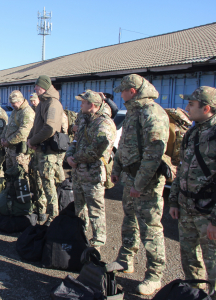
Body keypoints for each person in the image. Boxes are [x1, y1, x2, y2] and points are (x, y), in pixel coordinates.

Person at [111, 74, 169, 295]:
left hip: (147, 182)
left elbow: (154, 153)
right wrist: (116, 170)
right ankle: (126, 259)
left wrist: (141, 184)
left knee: (150, 229)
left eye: (123, 91)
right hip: (131, 178)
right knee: (129, 221)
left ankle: (154, 275)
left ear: (132, 91)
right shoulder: (134, 112)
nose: (121, 95)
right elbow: (124, 143)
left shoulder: (151, 112)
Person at [169, 86, 216, 294]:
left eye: (191, 104)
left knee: (213, 265)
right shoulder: (192, 132)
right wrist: (174, 201)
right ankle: (195, 295)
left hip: (208, 212)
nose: (186, 107)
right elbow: (181, 170)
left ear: (206, 108)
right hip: (186, 208)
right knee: (189, 260)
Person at [64, 90, 116, 248]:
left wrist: (76, 159)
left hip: (93, 174)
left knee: (96, 210)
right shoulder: (86, 120)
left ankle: (97, 245)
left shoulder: (103, 123)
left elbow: (97, 150)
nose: (80, 105)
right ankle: (80, 236)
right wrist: (69, 156)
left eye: (83, 103)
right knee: (79, 208)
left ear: (92, 105)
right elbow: (75, 141)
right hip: (79, 173)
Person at [27, 75, 64, 226]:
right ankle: (42, 211)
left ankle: (54, 218)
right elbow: (36, 126)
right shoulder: (42, 103)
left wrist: (34, 140)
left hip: (48, 152)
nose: (35, 89)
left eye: (37, 86)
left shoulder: (52, 103)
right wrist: (30, 140)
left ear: (45, 87)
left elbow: (49, 128)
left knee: (49, 186)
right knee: (40, 183)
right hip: (40, 151)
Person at [0, 90, 35, 173]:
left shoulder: (27, 112)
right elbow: (8, 126)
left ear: (20, 101)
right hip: (10, 151)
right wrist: (2, 137)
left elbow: (23, 132)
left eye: (14, 103)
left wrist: (8, 141)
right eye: (11, 103)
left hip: (20, 152)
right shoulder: (15, 111)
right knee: (9, 175)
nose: (12, 105)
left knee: (20, 177)